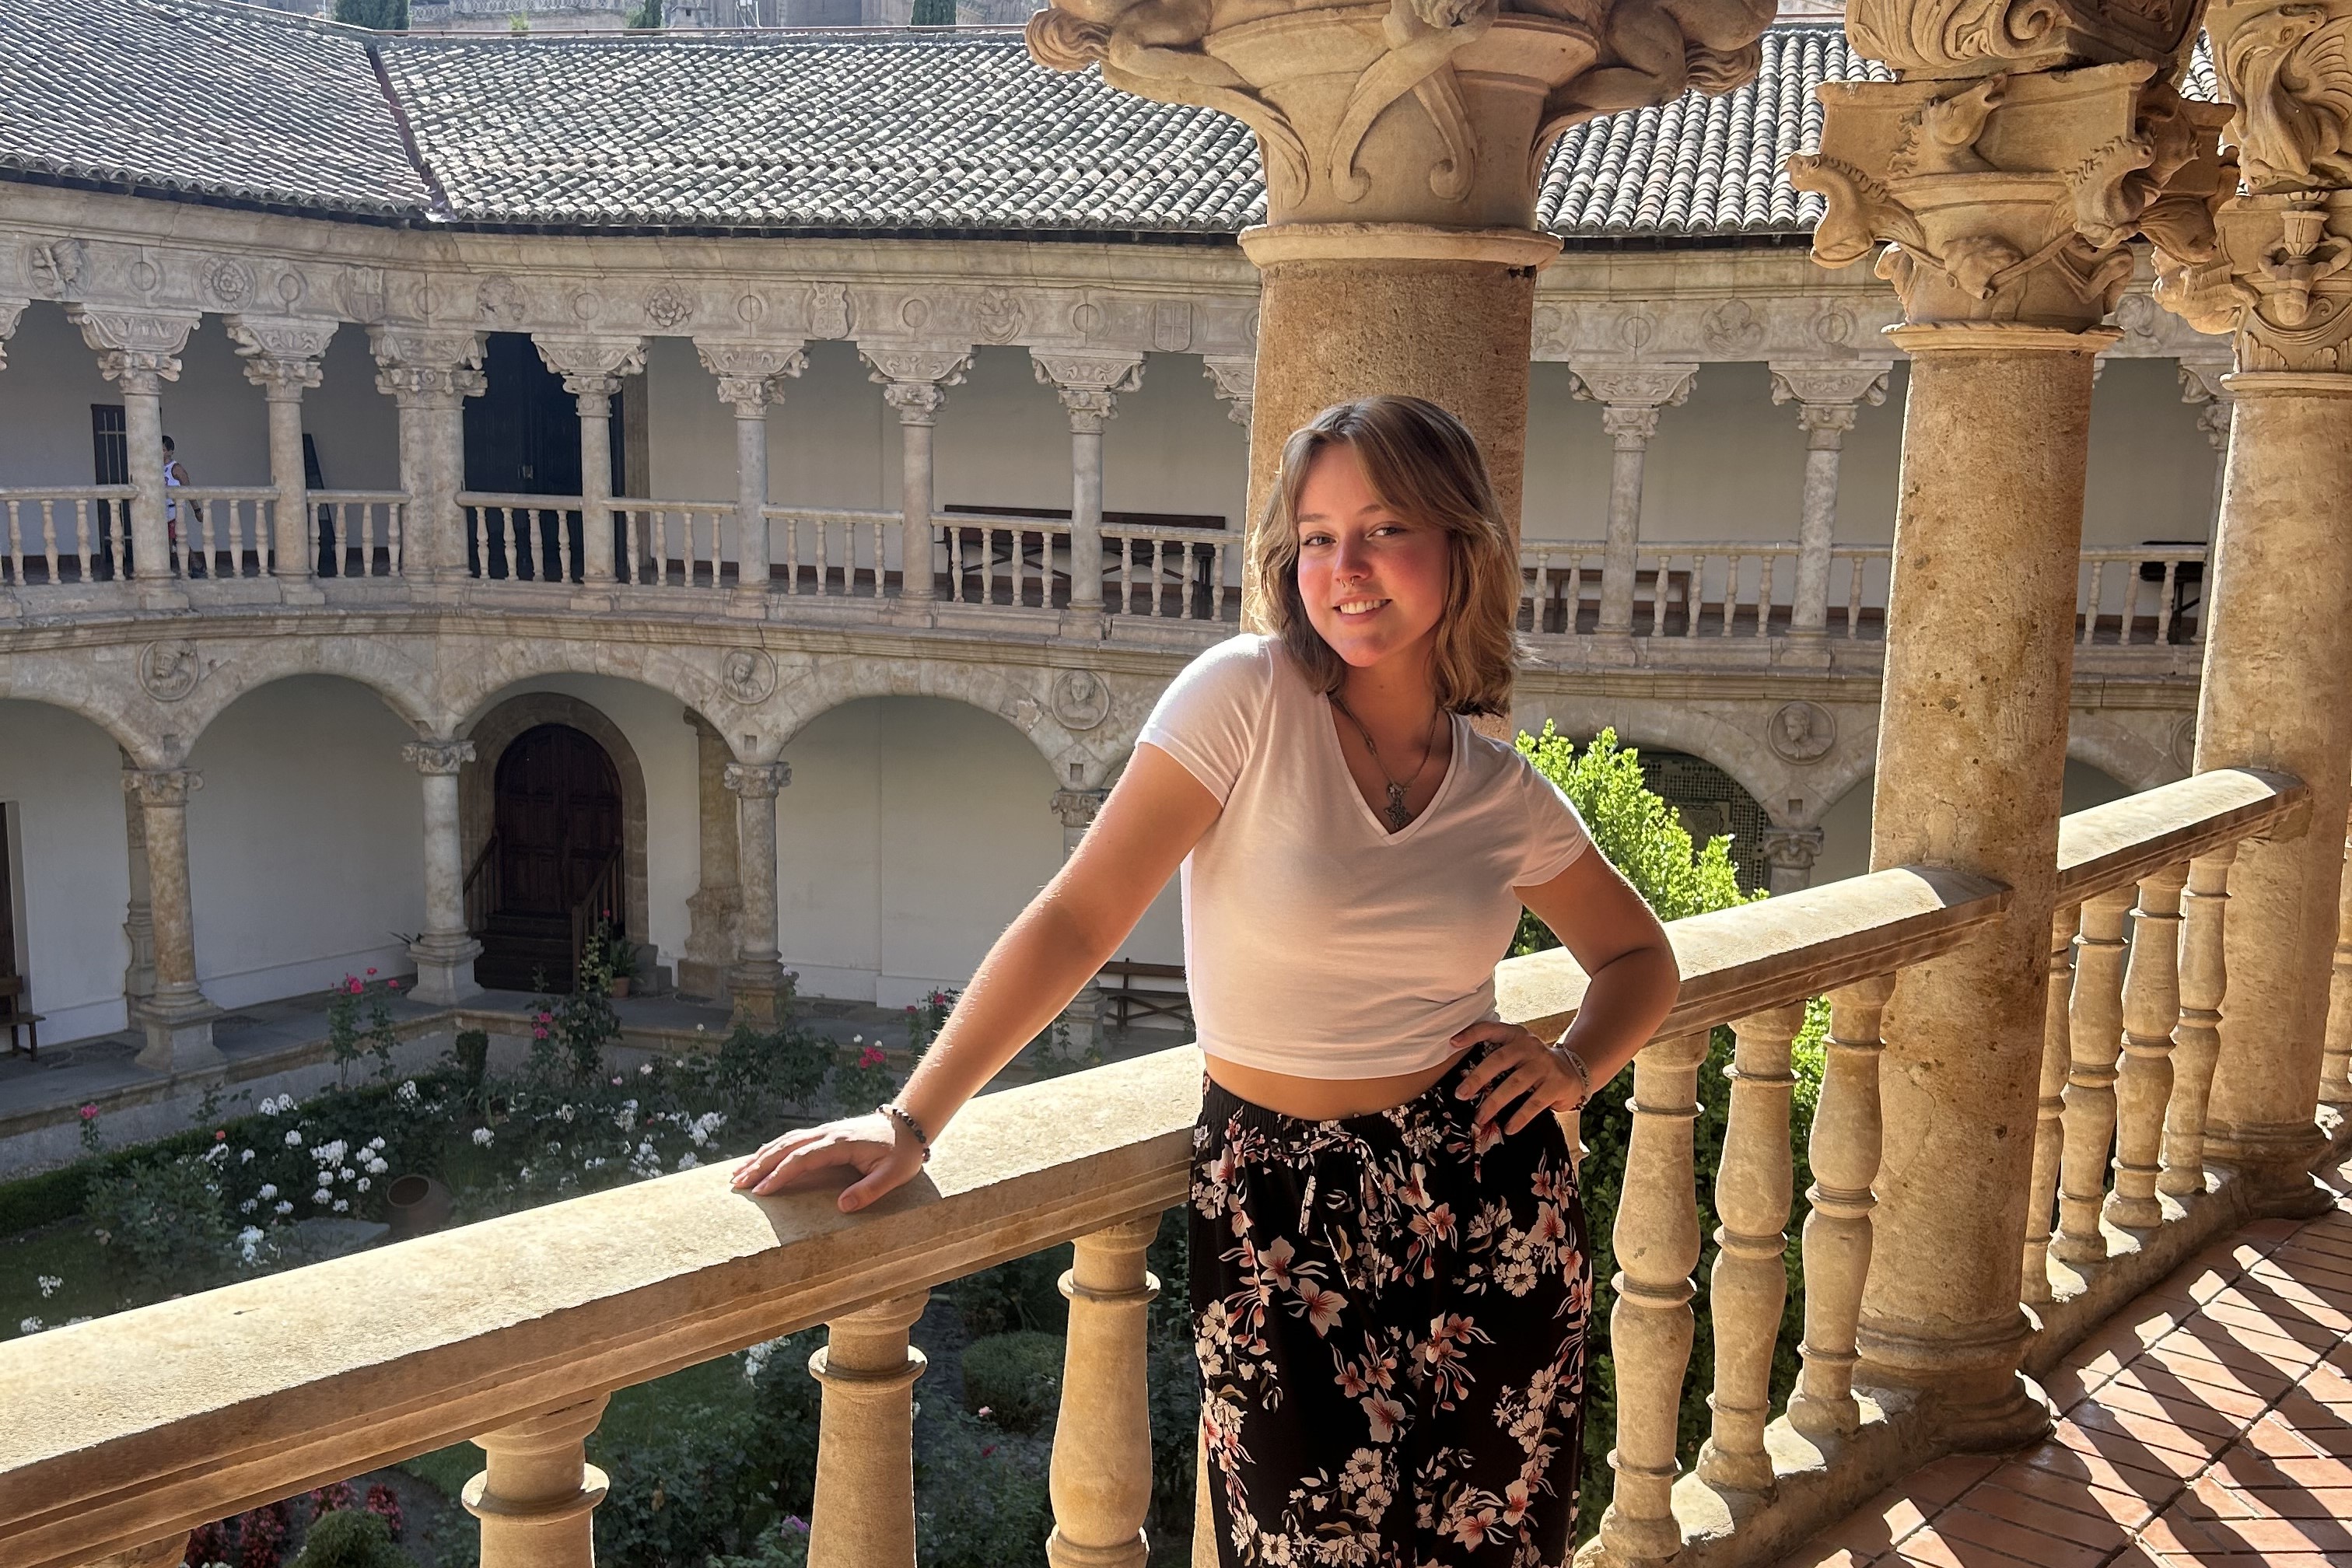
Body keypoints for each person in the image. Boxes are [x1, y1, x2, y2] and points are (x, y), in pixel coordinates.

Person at [732, 394, 1679, 1562]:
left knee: (1492, 1547)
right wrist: (911, 1119)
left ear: (1460, 544)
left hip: (1487, 1202)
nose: (1347, 568)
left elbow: (1642, 958)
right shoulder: (1245, 698)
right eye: (1318, 536)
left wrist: (1576, 1064)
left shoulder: (1500, 790)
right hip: (1278, 1208)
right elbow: (1080, 915)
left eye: (1384, 529)